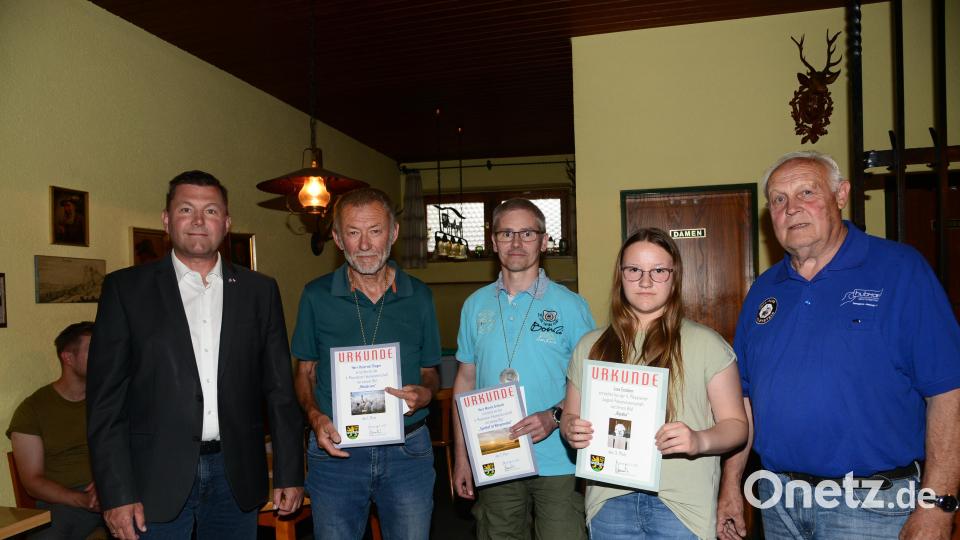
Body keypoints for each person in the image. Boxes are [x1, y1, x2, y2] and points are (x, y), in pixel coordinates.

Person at [717, 151, 960, 540]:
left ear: (841, 194)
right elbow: (743, 399)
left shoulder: (900, 270)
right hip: (777, 502)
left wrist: (938, 503)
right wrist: (730, 485)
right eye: (778, 199)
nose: (791, 208)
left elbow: (947, 391)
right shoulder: (764, 289)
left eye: (806, 193)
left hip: (873, 508)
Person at [86, 170, 304, 539]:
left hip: (236, 475)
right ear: (167, 220)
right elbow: (105, 403)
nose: (199, 221)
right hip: (154, 478)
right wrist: (116, 493)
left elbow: (280, 392)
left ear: (227, 223)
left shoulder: (259, 292)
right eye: (186, 209)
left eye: (211, 211)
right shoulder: (126, 291)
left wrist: (289, 473)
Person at [560, 227, 748, 539]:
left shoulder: (706, 344)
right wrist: (570, 429)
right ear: (620, 276)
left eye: (659, 271)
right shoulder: (590, 345)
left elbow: (736, 425)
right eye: (634, 270)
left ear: (675, 278)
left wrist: (699, 440)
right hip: (609, 501)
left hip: (681, 505)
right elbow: (570, 415)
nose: (645, 281)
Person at [291, 187, 441, 540]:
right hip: (336, 451)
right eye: (353, 233)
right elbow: (304, 371)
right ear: (337, 238)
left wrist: (426, 394)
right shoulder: (315, 296)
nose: (364, 245)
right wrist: (314, 416)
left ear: (393, 233)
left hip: (408, 450)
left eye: (374, 231)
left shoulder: (419, 296)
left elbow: (431, 373)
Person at [453, 198, 596, 539]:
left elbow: (591, 382)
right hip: (496, 457)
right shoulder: (475, 306)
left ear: (544, 241)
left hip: (560, 460)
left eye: (527, 233)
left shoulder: (571, 306)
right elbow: (464, 382)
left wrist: (555, 416)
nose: (516, 243)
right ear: (493, 241)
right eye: (507, 233)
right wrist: (462, 457)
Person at [7, 321, 105, 539]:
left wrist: (111, 484)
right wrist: (81, 499)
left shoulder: (111, 399)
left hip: (116, 490)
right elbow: (32, 482)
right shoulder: (33, 409)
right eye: (93, 350)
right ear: (68, 358)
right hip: (67, 501)